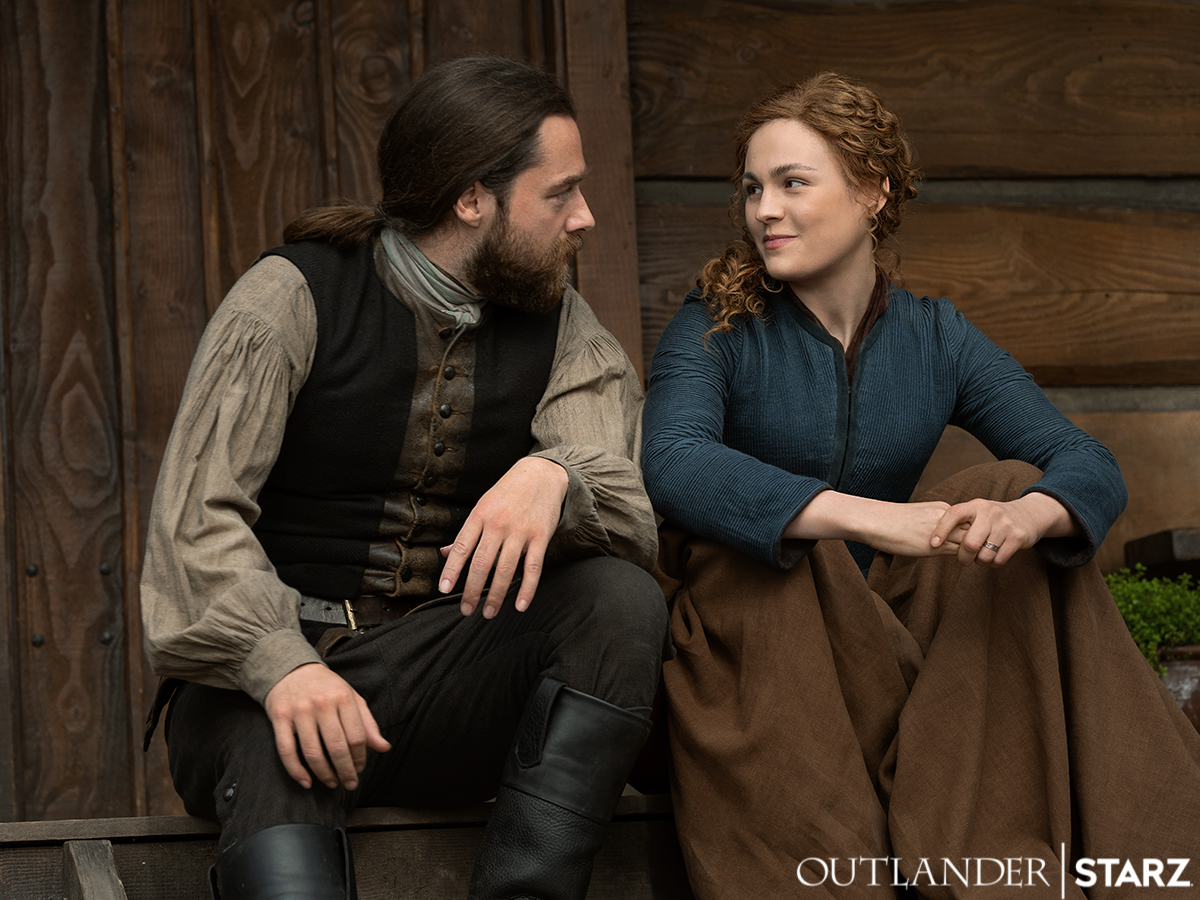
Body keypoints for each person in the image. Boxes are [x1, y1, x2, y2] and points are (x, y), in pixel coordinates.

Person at [641, 72, 1200, 899]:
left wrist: (1031, 515)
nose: (765, 211)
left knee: (1012, 483)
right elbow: (674, 460)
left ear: (873, 192)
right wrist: (869, 520)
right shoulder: (716, 322)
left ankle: (1070, 855)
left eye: (793, 183)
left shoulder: (936, 337)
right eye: (753, 188)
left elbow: (1084, 458)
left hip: (895, 633)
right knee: (778, 554)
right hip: (759, 647)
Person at [141, 54, 669, 900]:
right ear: (473, 199)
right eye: (561, 193)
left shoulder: (561, 323)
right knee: (285, 752)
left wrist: (556, 476)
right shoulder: (290, 297)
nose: (584, 216)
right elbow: (193, 523)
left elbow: (622, 499)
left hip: (437, 686)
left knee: (617, 600)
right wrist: (283, 665)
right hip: (262, 686)